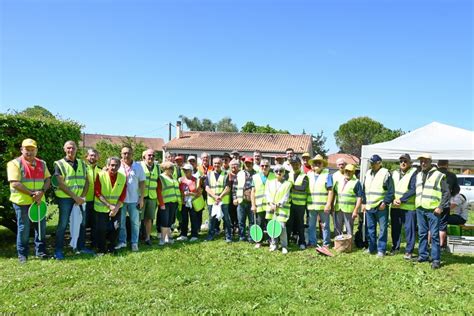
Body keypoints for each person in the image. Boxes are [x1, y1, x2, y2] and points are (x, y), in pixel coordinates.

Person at [7, 138, 51, 263]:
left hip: (38, 202)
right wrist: (32, 194)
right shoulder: (14, 163)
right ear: (22, 149)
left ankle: (41, 252)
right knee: (23, 228)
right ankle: (22, 255)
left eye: (32, 149)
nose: (30, 152)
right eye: (27, 149)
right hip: (22, 202)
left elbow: (48, 179)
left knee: (41, 228)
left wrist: (41, 192)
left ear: (36, 150)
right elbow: (15, 183)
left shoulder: (42, 163)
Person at [54, 140, 90, 260]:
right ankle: (58, 250)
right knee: (63, 225)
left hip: (80, 199)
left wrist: (82, 197)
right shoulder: (59, 163)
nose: (71, 150)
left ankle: (80, 247)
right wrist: (75, 197)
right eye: (68, 148)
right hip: (65, 199)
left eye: (73, 148)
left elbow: (86, 182)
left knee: (82, 223)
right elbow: (60, 183)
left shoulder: (82, 164)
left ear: (76, 149)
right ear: (64, 149)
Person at [415, 154, 450, 269]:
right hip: (420, 208)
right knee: (422, 233)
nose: (423, 163)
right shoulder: (419, 175)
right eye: (421, 162)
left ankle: (436, 259)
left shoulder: (439, 175)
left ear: (430, 162)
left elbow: (446, 193)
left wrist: (440, 207)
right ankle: (423, 255)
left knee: (434, 235)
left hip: (433, 210)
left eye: (425, 161)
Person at [361, 154, 394, 257]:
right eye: (371, 163)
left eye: (374, 163)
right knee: (370, 228)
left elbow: (391, 191)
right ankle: (371, 248)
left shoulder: (385, 173)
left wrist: (385, 202)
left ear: (379, 163)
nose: (372, 165)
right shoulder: (368, 173)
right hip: (370, 206)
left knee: (383, 229)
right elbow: (364, 190)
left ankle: (381, 250)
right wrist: (364, 203)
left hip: (381, 206)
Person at [94, 157, 127, 255]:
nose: (114, 167)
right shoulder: (100, 175)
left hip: (116, 209)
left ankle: (112, 248)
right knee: (102, 229)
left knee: (115, 228)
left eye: (116, 165)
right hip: (101, 207)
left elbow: (123, 194)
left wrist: (116, 208)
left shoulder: (122, 177)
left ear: (119, 166)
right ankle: (101, 249)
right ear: (107, 165)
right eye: (112, 165)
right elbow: (97, 192)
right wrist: (109, 206)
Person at [116, 146, 145, 252]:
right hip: (120, 200)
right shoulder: (117, 166)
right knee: (121, 222)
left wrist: (141, 198)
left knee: (135, 222)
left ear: (132, 154)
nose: (126, 155)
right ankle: (122, 241)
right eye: (124, 153)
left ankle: (134, 242)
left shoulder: (138, 166)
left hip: (134, 199)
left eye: (128, 153)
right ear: (121, 154)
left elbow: (142, 182)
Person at [390, 154, 417, 259]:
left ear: (410, 162)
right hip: (395, 206)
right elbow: (390, 188)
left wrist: (401, 200)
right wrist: (392, 199)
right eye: (401, 161)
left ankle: (409, 251)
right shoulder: (394, 173)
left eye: (405, 161)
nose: (403, 163)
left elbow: (413, 189)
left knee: (409, 231)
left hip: (408, 208)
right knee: (395, 229)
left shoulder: (414, 173)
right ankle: (395, 248)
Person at [306, 154, 334, 248]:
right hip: (311, 206)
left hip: (323, 206)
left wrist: (328, 204)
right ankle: (312, 242)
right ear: (312, 165)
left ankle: (326, 243)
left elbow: (330, 191)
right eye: (315, 163)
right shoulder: (309, 175)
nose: (317, 164)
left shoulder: (327, 175)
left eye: (319, 162)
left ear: (322, 164)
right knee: (311, 226)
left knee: (325, 226)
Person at [265, 165, 292, 254]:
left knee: (282, 227)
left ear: (284, 172)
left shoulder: (288, 184)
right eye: (276, 171)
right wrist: (270, 203)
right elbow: (267, 193)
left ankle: (284, 246)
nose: (278, 173)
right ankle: (274, 244)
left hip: (282, 209)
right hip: (271, 208)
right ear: (274, 172)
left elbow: (286, 196)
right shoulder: (269, 182)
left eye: (281, 171)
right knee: (272, 226)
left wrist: (278, 204)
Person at [205, 157, 232, 242]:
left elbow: (228, 188)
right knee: (211, 219)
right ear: (213, 164)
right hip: (212, 201)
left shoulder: (226, 174)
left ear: (221, 164)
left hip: (223, 200)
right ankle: (210, 235)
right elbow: (207, 187)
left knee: (226, 219)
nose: (217, 165)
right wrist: (214, 197)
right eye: (215, 163)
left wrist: (220, 196)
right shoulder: (209, 174)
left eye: (218, 163)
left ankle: (228, 236)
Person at [333, 164, 362, 237]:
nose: (348, 173)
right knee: (337, 228)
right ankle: (339, 244)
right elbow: (334, 193)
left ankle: (349, 244)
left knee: (349, 228)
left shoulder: (356, 182)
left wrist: (355, 210)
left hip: (349, 210)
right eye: (346, 171)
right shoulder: (339, 181)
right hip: (338, 208)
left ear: (353, 172)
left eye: (350, 171)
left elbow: (359, 197)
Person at [178, 164, 206, 241]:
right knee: (184, 219)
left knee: (194, 218)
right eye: (184, 170)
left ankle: (194, 235)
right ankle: (184, 234)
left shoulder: (196, 180)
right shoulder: (180, 180)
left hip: (193, 202)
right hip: (184, 203)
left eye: (187, 170)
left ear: (191, 171)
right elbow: (180, 191)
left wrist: (190, 194)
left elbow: (199, 193)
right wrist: (183, 197)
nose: (185, 171)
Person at [251, 159, 275, 248]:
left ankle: (271, 241)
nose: (264, 167)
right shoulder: (255, 177)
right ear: (260, 166)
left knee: (270, 223)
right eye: (262, 166)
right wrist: (253, 205)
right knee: (259, 223)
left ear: (269, 167)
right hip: (259, 205)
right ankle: (259, 241)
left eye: (266, 166)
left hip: (270, 205)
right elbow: (253, 192)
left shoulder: (274, 176)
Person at [287, 156, 308, 249]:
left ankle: (302, 242)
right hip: (290, 203)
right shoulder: (289, 175)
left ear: (300, 164)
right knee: (289, 223)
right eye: (292, 164)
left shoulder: (304, 176)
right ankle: (286, 241)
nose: (294, 166)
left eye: (296, 164)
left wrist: (291, 186)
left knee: (300, 224)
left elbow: (303, 188)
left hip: (300, 205)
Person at [158, 161, 182, 245]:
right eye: (169, 168)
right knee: (164, 221)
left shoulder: (173, 177)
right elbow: (159, 192)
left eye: (172, 168)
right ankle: (162, 239)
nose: (171, 170)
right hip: (165, 203)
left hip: (174, 202)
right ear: (164, 169)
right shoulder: (161, 177)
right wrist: (161, 204)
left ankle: (168, 237)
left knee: (170, 221)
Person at [233, 156, 256, 241]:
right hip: (241, 200)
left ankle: (251, 237)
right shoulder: (239, 173)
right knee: (241, 221)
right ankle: (242, 236)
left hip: (252, 201)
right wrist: (234, 198)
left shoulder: (256, 174)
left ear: (252, 164)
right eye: (246, 163)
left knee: (252, 221)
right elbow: (234, 187)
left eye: (249, 163)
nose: (248, 165)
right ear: (244, 164)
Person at [437, 159, 459, 249]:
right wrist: (450, 195)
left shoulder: (434, 173)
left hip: (433, 203)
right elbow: (457, 189)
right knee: (442, 225)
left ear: (438, 164)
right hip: (445, 203)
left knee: (431, 225)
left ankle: (429, 244)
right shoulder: (452, 175)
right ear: (447, 164)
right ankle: (441, 246)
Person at [140, 149, 160, 246]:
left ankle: (147, 237)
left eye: (153, 155)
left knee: (149, 218)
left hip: (152, 197)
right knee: (138, 219)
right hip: (140, 197)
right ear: (144, 157)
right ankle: (137, 237)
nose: (151, 157)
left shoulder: (157, 167)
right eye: (149, 155)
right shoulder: (139, 166)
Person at [85, 148, 101, 248]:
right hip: (85, 200)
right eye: (91, 155)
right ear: (87, 157)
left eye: (95, 155)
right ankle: (81, 243)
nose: (93, 157)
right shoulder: (82, 168)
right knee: (83, 223)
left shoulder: (101, 169)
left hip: (97, 201)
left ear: (98, 157)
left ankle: (94, 243)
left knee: (95, 224)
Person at [228, 159, 240, 235]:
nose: (233, 166)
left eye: (235, 165)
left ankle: (238, 226)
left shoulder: (241, 174)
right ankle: (231, 227)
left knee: (238, 213)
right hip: (229, 197)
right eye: (232, 165)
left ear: (239, 166)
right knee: (230, 213)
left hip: (238, 197)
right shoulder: (227, 174)